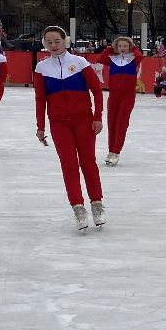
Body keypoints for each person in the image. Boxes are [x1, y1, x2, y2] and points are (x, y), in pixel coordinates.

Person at [34, 26, 106, 231]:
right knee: (69, 165)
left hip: (83, 120)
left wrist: (97, 117)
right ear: (44, 43)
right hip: (58, 123)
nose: (53, 45)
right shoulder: (42, 68)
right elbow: (40, 99)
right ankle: (78, 207)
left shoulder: (79, 62)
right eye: (49, 42)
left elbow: (97, 91)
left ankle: (97, 203)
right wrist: (40, 126)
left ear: (65, 41)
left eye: (57, 41)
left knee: (88, 162)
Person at [97, 35, 141, 165]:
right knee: (112, 123)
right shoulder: (112, 59)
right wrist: (111, 48)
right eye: (120, 46)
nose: (122, 48)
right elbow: (100, 59)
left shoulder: (133, 59)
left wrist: (133, 48)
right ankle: (111, 151)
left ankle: (116, 151)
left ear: (130, 47)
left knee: (122, 123)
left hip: (127, 97)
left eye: (125, 46)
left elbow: (139, 56)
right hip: (114, 96)